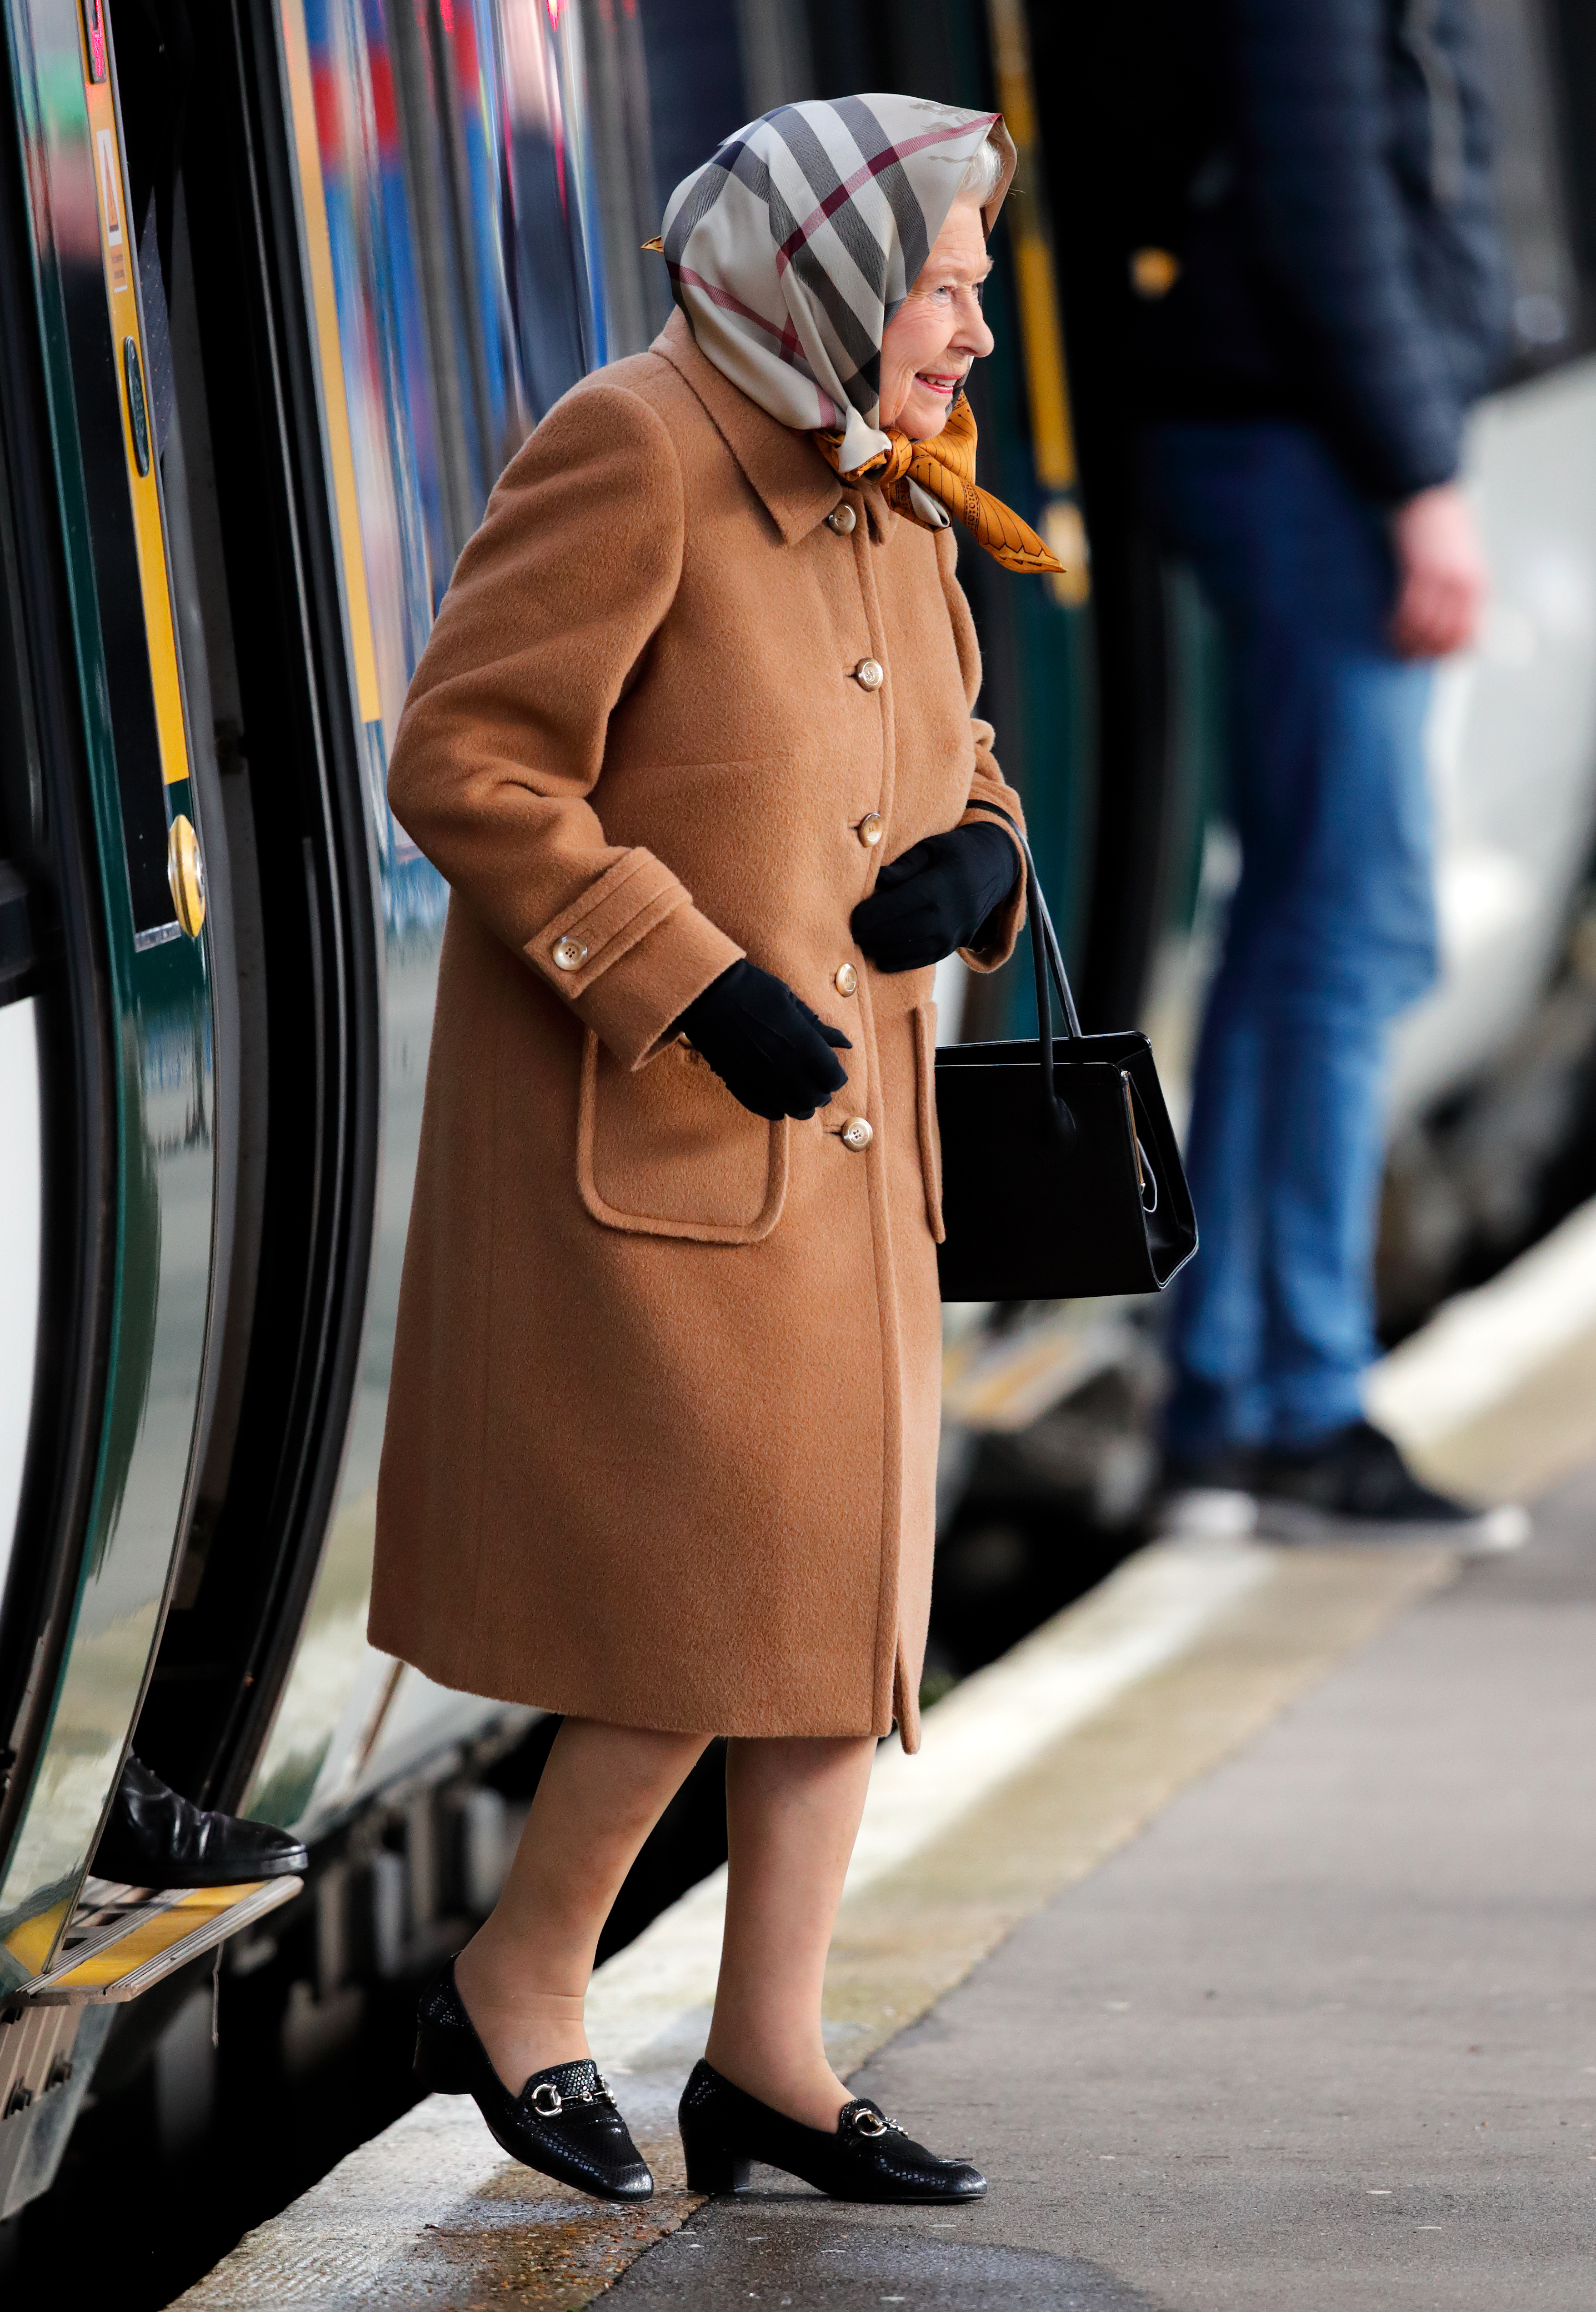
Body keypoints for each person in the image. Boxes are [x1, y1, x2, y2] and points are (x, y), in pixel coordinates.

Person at [369, 96, 1062, 2205]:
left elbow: (956, 751)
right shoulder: (638, 445)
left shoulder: (896, 504)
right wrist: (680, 972)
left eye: (962, 290)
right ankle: (522, 1977)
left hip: (848, 1175)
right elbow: (464, 757)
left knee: (838, 1610)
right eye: (944, 288)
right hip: (672, 1148)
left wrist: (981, 862)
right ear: (843, 283)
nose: (967, 332)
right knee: (713, 1605)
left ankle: (765, 2048)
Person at [1136, 0, 1526, 1542]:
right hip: (1302, 447)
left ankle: (1235, 1394)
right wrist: (1413, 469)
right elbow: (1317, 179)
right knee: (1348, 925)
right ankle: (1289, 1401)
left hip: (1290, 436)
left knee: (1307, 921)